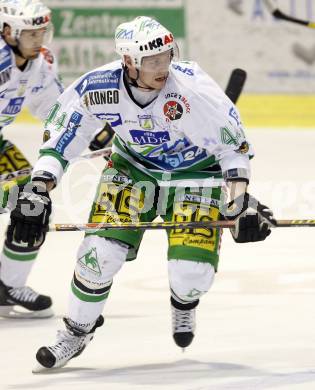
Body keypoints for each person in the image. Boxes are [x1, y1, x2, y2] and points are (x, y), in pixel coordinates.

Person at [6, 16, 275, 370]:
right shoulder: (99, 87)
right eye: (152, 61)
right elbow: (62, 139)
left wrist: (238, 201)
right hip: (132, 171)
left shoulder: (192, 89)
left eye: (167, 56)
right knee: (98, 256)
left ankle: (183, 303)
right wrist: (39, 188)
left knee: (190, 275)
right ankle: (76, 331)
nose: (163, 66)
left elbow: (233, 148)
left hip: (196, 175)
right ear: (129, 61)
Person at [0, 0, 65, 319]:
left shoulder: (41, 62)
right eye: (31, 33)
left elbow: (54, 111)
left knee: (32, 201)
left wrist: (99, 143)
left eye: (42, 31)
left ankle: (8, 285)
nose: (39, 40)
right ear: (8, 31)